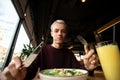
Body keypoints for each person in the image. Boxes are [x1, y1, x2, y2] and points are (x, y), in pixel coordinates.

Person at [0, 20, 98, 80]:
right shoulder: (42, 50)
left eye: (63, 31)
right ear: (51, 33)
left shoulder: (69, 53)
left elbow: (80, 72)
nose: (60, 33)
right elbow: (30, 70)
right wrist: (21, 73)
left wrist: (88, 68)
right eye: (56, 31)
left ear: (65, 35)